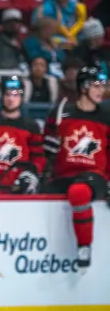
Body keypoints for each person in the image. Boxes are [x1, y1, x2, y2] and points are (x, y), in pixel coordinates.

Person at [43, 67, 110, 272]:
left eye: (103, 85)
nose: (102, 90)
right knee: (39, 195)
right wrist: (48, 147)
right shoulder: (62, 112)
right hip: (63, 174)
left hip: (94, 176)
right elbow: (46, 143)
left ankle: (84, 247)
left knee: (78, 193)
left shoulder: (107, 115)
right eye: (96, 86)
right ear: (84, 87)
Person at [0, 77, 46, 195]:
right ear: (2, 96)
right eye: (8, 94)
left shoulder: (31, 126)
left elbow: (38, 157)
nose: (11, 99)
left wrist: (32, 172)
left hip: (18, 189)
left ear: (21, 97)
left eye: (15, 95)